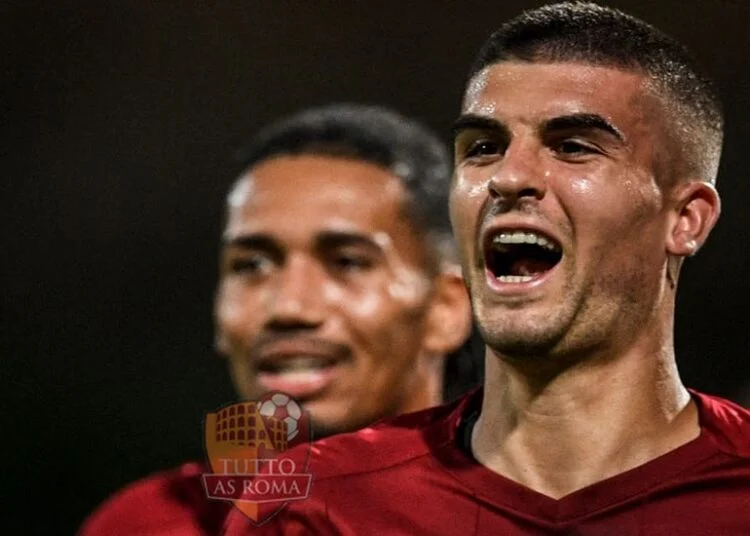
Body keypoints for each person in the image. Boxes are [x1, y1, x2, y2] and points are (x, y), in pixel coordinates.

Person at [223, 3, 750, 535]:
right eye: (483, 148)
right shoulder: (317, 508)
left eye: (571, 147)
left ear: (686, 220)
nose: (508, 176)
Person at [78, 104, 474, 535]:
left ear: (445, 310)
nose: (288, 307)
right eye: (251, 265)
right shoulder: (152, 524)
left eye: (347, 262)